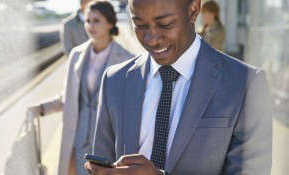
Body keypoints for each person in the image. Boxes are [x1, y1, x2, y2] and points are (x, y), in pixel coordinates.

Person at [84, 0, 272, 174]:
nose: (151, 39)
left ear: (193, 10)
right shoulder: (114, 80)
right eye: (140, 25)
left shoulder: (245, 84)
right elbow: (104, 162)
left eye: (165, 24)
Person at [27, 1, 133, 175]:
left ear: (110, 23)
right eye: (88, 20)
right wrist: (41, 108)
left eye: (96, 20)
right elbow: (69, 97)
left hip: (107, 141)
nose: (90, 25)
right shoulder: (77, 55)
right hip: (78, 139)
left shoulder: (127, 60)